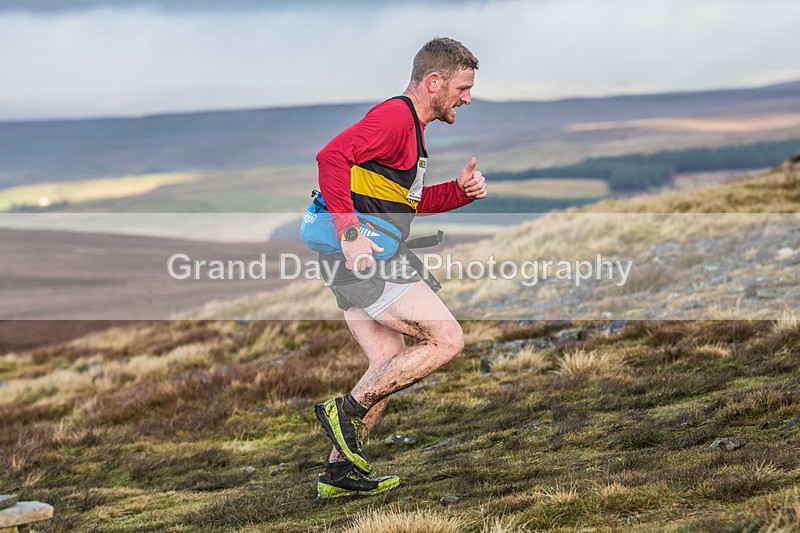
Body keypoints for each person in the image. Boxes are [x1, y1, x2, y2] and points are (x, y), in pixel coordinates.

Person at [311, 37, 487, 501]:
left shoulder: (413, 129)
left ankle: (337, 475)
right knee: (447, 339)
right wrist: (350, 236)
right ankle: (344, 412)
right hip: (362, 258)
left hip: (365, 257)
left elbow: (406, 204)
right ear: (435, 82)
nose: (467, 98)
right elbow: (330, 157)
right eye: (462, 88)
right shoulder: (394, 119)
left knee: (388, 364)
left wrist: (459, 192)